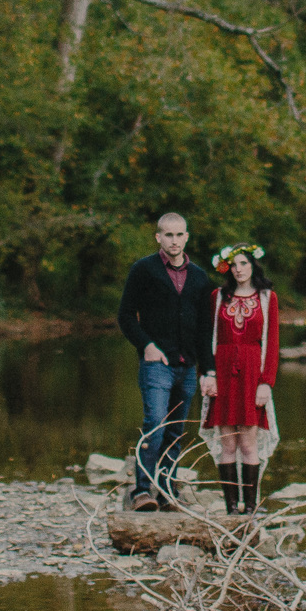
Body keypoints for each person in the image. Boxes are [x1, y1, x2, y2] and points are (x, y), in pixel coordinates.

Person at [115, 212, 216, 511]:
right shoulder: (144, 270)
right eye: (168, 235)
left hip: (187, 366)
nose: (174, 240)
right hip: (157, 362)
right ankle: (141, 491)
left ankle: (168, 489)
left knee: (175, 429)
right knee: (155, 423)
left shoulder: (199, 277)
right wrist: (146, 345)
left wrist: (208, 369)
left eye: (179, 235)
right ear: (158, 237)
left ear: (187, 237)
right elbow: (124, 316)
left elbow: (205, 329)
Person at [199, 242, 280, 515]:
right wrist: (208, 375)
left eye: (244, 263)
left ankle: (251, 507)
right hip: (222, 372)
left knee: (248, 441)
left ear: (253, 265)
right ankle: (231, 507)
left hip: (251, 373)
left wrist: (266, 382)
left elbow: (272, 343)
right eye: (234, 264)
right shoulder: (219, 297)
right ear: (227, 268)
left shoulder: (267, 298)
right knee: (228, 442)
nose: (239, 269)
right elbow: (207, 338)